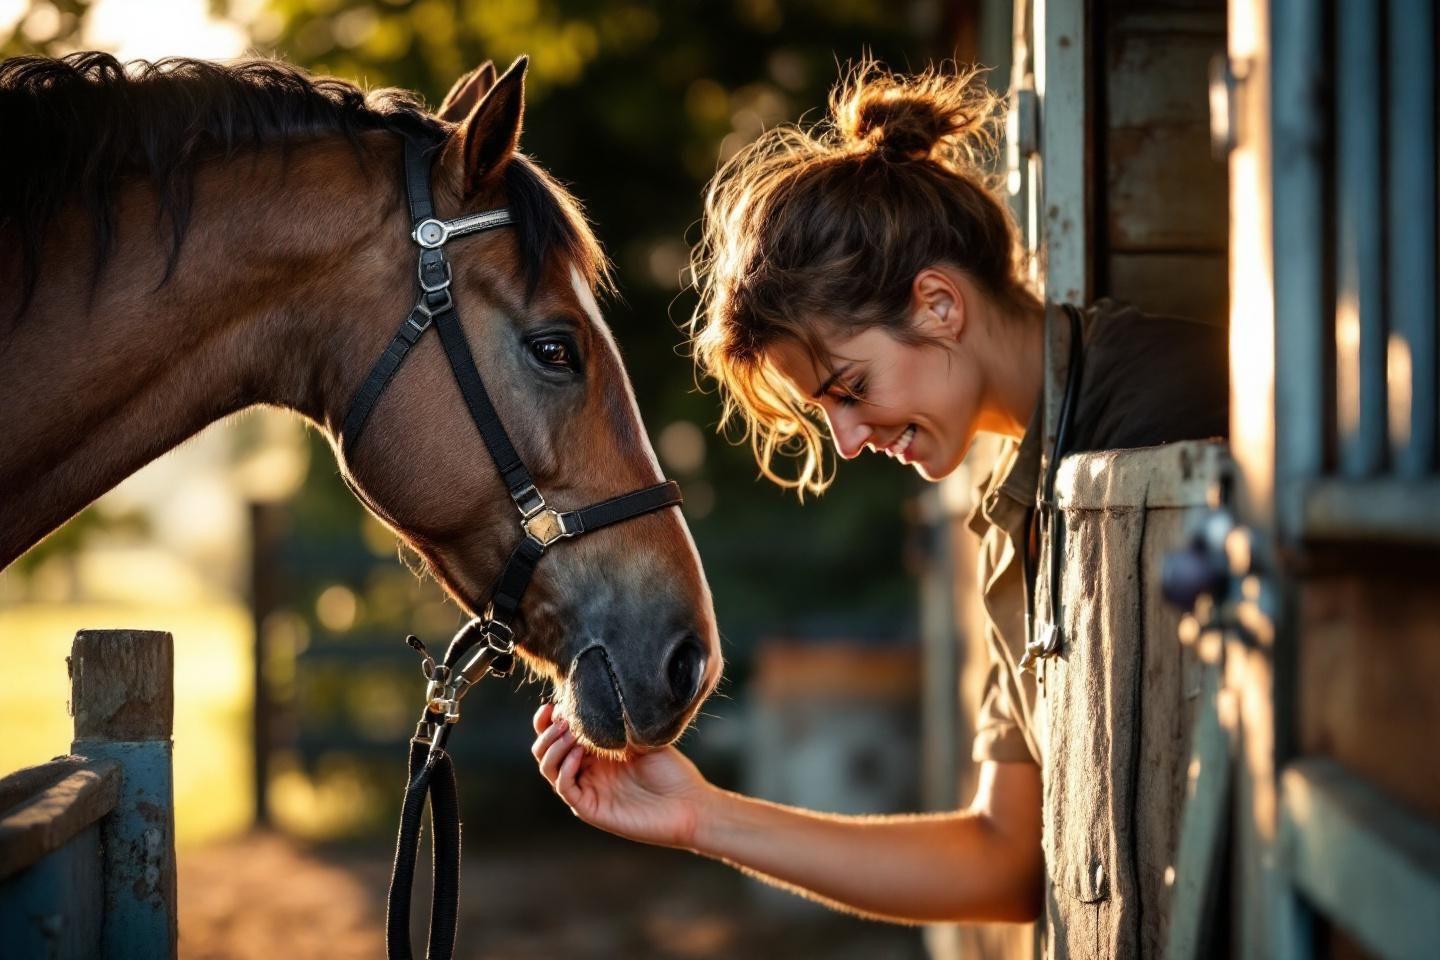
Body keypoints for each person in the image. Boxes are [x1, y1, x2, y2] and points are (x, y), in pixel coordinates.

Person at [530, 60, 1228, 924]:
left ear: (938, 304)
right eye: (827, 410)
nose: (850, 441)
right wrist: (701, 816)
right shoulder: (1014, 512)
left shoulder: (1179, 399)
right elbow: (1004, 858)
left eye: (852, 388)